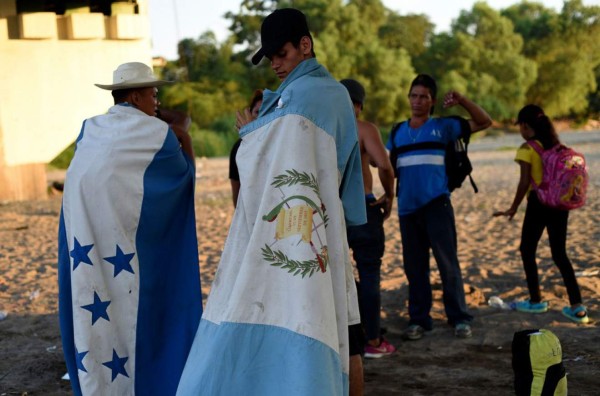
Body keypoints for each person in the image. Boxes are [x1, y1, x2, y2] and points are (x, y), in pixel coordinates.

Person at [177, 8, 366, 396]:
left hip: (288, 236)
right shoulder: (338, 97)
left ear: (305, 45)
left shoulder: (295, 98)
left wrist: (250, 135)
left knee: (283, 312)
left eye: (282, 54)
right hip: (326, 234)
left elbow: (267, 170)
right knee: (342, 328)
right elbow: (345, 168)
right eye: (270, 58)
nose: (276, 65)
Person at [58, 62, 202, 395]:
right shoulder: (156, 133)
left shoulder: (89, 128)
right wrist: (184, 137)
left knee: (93, 305)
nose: (157, 102)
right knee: (136, 307)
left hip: (82, 239)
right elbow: (182, 181)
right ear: (136, 96)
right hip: (126, 244)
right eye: (153, 95)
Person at [386, 74, 492, 341]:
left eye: (423, 96)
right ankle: (419, 320)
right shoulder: (398, 131)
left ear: (432, 101)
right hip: (407, 209)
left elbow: (484, 121)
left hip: (437, 205)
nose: (417, 101)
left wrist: (462, 100)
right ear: (408, 98)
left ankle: (459, 318)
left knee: (448, 264)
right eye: (414, 95)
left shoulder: (444, 127)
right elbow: (386, 167)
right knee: (415, 267)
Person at [493, 104, 589, 324]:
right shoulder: (555, 146)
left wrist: (514, 207)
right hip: (559, 204)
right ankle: (577, 307)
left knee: (527, 249)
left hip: (538, 204)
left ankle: (536, 301)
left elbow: (525, 181)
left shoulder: (527, 149)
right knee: (559, 254)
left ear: (525, 126)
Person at [340, 79, 396, 360]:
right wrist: (390, 196)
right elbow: (384, 165)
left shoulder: (322, 129)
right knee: (370, 275)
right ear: (359, 106)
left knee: (338, 278)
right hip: (363, 209)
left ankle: (341, 338)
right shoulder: (364, 129)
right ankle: (373, 339)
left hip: (332, 214)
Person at [229, 89, 263, 207]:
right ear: (249, 114)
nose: (262, 116)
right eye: (257, 112)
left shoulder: (281, 143)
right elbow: (236, 189)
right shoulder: (238, 147)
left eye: (267, 111)